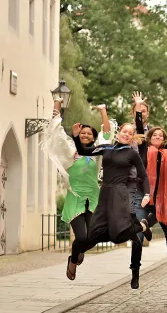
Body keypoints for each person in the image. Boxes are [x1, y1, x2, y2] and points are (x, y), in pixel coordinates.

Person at [41, 99, 113, 281]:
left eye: (89, 133)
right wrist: (57, 104)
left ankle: (77, 252)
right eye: (83, 133)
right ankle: (73, 260)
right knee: (82, 236)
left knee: (94, 237)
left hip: (93, 198)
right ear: (78, 134)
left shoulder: (98, 151)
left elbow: (106, 133)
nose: (86, 135)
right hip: (75, 198)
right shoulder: (70, 149)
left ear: (93, 137)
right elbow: (56, 132)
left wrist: (103, 111)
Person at [71, 122, 153, 277]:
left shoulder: (132, 154)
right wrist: (76, 136)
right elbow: (83, 150)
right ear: (119, 132)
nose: (127, 134)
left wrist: (147, 194)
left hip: (119, 193)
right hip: (105, 193)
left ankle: (140, 226)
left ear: (132, 137)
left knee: (118, 236)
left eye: (130, 133)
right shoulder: (106, 148)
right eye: (124, 131)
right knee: (93, 234)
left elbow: (144, 176)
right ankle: (138, 227)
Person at [128, 95, 167, 289]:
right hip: (142, 196)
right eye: (155, 135)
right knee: (138, 237)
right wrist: (138, 107)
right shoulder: (144, 148)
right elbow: (138, 126)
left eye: (161, 136)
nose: (158, 138)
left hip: (160, 200)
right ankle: (135, 272)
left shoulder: (166, 152)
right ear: (150, 137)